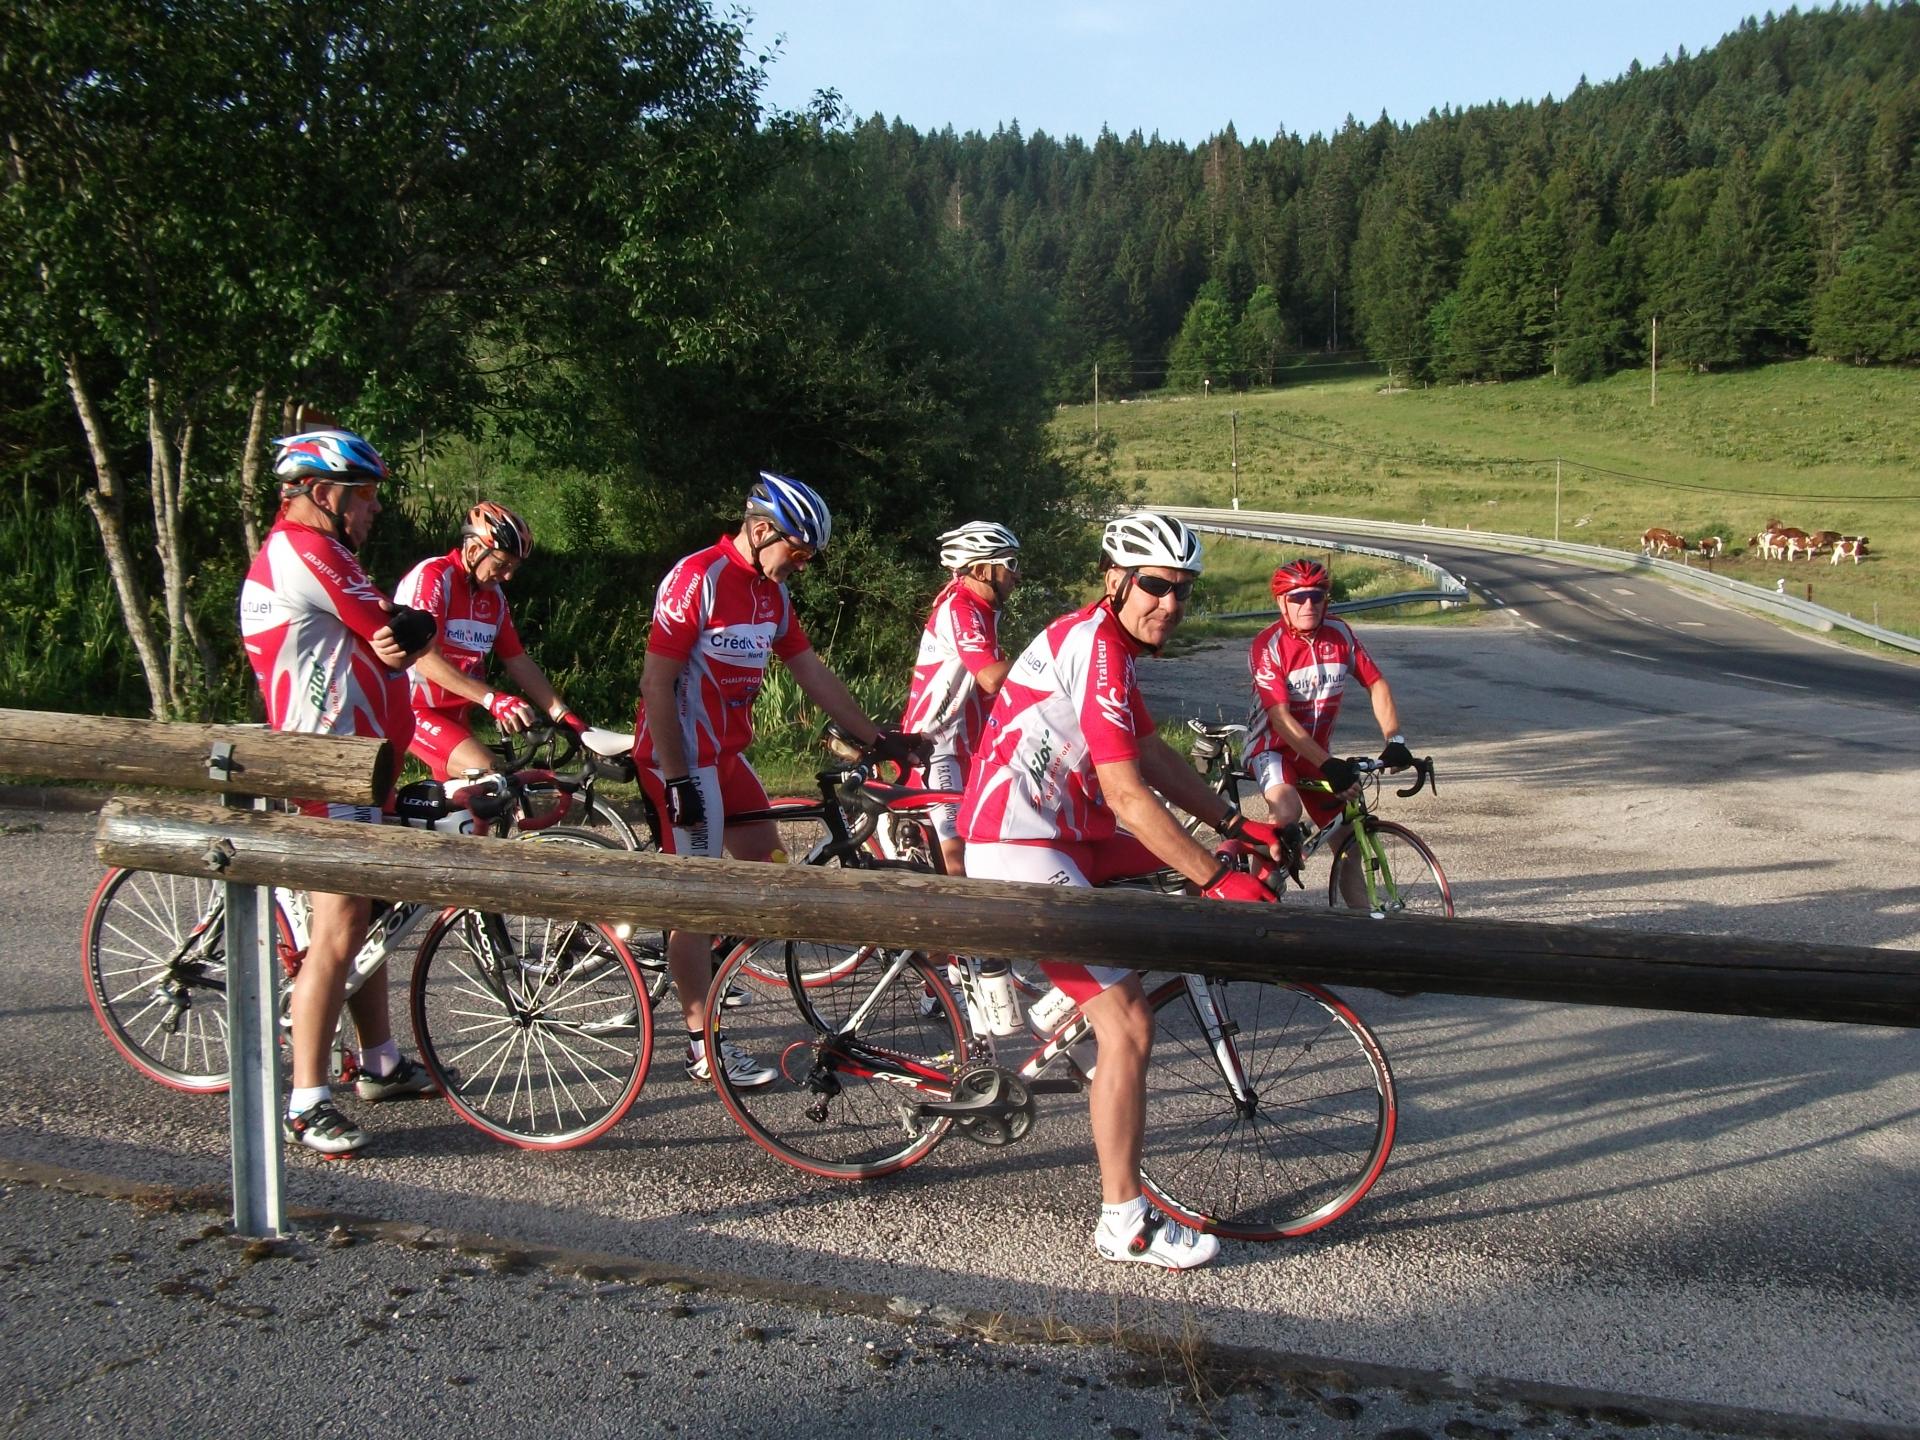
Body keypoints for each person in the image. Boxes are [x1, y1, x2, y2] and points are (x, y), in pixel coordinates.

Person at [958, 512, 1281, 1270]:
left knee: (1162, 873)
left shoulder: (1106, 648)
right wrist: (1219, 876)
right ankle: (1123, 1222)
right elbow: (1132, 796)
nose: (1169, 603)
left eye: (1182, 592)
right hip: (1019, 843)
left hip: (1064, 835)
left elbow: (1150, 753)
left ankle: (1063, 997)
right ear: (1116, 580)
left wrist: (1238, 823)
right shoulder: (1097, 646)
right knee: (1130, 1022)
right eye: (1156, 585)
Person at [635, 472, 919, 1087]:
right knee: (702, 902)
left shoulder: (771, 594)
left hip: (727, 756)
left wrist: (876, 737)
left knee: (766, 875)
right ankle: (700, 1044)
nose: (804, 564)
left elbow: (810, 671)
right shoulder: (697, 579)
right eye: (799, 550)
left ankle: (690, 955)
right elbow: (656, 682)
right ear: (762, 530)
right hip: (679, 757)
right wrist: (678, 776)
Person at [238, 427, 440, 1156]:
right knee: (340, 928)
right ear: (323, 494)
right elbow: (398, 627)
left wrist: (407, 633)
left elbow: (402, 637)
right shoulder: (308, 549)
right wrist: (409, 630)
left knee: (369, 915)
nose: (372, 510)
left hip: (356, 762)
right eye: (364, 496)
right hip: (320, 766)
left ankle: (379, 1061)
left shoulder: (322, 553)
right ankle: (307, 1098)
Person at [1245, 558, 1414, 904]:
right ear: (1281, 602)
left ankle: (1364, 922)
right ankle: (1251, 902)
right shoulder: (1269, 645)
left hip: (1315, 754)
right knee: (1287, 811)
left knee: (1350, 836)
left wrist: (1395, 739)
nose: (1308, 604)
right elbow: (1279, 718)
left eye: (1316, 596)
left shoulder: (1340, 635)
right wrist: (1328, 765)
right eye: (1297, 597)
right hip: (1271, 748)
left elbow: (1376, 684)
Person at [395, 501, 586, 783]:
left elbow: (517, 659)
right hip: (410, 708)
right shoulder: (434, 577)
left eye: (514, 567)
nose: (508, 576)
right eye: (502, 564)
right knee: (490, 778)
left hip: (456, 714)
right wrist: (492, 698)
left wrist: (561, 713)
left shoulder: (493, 596)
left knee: (464, 815)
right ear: (473, 550)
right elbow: (423, 657)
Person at [898, 521, 1021, 875]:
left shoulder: (983, 609)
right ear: (982, 569)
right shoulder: (961, 608)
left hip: (968, 745)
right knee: (958, 861)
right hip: (937, 748)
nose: (1017, 573)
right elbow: (990, 676)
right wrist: (1046, 655)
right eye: (1010, 564)